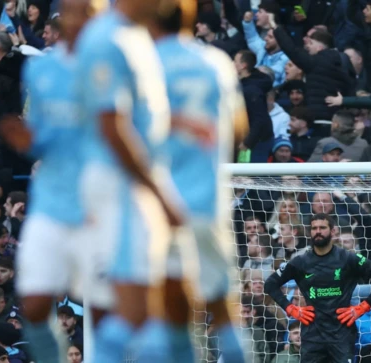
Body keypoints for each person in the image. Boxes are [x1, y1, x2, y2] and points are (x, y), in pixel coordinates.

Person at [73, 0, 183, 360]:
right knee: (138, 306)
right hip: (119, 184)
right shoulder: (107, 39)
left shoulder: (130, 37)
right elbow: (111, 125)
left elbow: (137, 118)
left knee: (142, 310)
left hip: (129, 182)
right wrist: (158, 193)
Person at [147, 5, 247, 363]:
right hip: (208, 204)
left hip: (159, 209)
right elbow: (239, 129)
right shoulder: (217, 62)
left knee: (169, 314)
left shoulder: (144, 63)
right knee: (222, 311)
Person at [264, 213, 371, 362]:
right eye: (314, 228)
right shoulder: (300, 262)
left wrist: (363, 307)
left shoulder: (348, 258)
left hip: (342, 335)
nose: (318, 231)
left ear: (332, 231)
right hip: (312, 336)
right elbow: (270, 284)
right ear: (310, 231)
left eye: (322, 227)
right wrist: (290, 308)